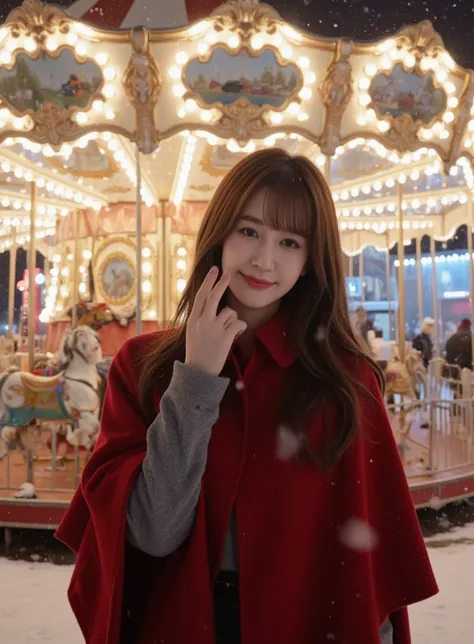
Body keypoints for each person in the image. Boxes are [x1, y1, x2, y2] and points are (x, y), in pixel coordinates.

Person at [56, 149, 437, 644]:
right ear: (220, 234)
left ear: (310, 259)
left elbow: (370, 570)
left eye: (289, 241)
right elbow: (152, 532)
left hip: (307, 623)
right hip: (182, 620)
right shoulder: (142, 367)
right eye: (249, 231)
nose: (264, 259)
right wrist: (194, 379)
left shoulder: (344, 380)